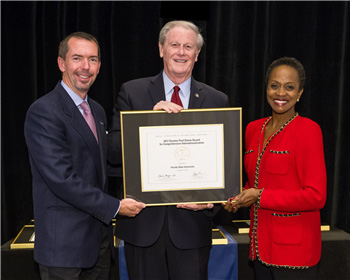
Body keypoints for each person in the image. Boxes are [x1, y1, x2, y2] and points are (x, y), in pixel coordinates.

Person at [107, 21, 230, 279]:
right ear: (161, 49)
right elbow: (113, 153)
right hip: (142, 228)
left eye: (189, 46)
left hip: (192, 229)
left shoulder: (216, 100)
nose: (181, 52)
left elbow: (225, 165)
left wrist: (211, 204)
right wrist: (146, 123)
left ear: (197, 55)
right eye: (174, 45)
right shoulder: (133, 92)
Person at [24, 32, 145, 280]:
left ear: (99, 66)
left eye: (92, 59)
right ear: (61, 63)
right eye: (77, 58)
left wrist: (152, 129)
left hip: (97, 244)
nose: (85, 67)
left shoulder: (97, 110)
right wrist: (116, 206)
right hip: (63, 248)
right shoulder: (44, 111)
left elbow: (102, 166)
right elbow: (62, 179)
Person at [224, 57, 327, 280]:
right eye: (274, 86)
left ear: (299, 93)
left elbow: (316, 196)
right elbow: (253, 182)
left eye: (289, 87)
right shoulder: (253, 129)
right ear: (267, 88)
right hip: (260, 249)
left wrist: (259, 196)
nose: (281, 93)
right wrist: (236, 197)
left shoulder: (308, 130)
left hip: (295, 253)